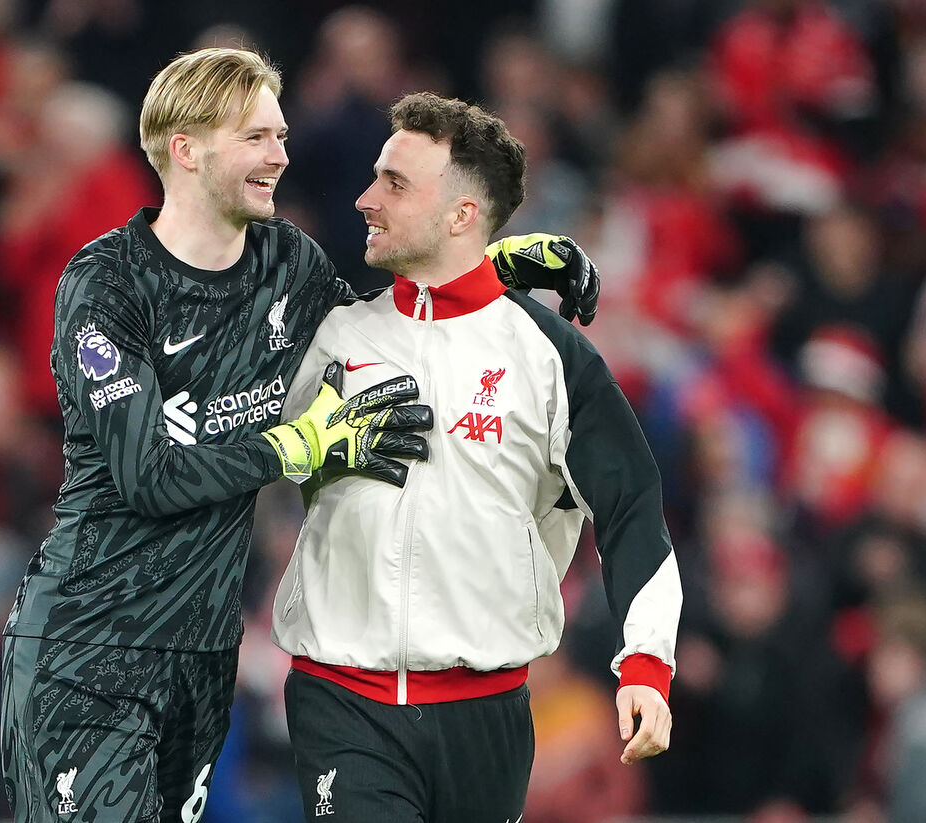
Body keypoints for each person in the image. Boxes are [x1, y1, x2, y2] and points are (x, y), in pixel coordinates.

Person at [0, 48, 598, 823]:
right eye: (256, 137)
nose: (281, 155)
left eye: (281, 135)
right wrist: (300, 447)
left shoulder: (286, 263)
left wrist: (494, 265)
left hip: (200, 653)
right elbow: (147, 475)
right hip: (93, 643)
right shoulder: (107, 283)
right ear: (186, 150)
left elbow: (384, 335)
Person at [272, 92, 681, 823]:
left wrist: (646, 661)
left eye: (395, 183)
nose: (366, 199)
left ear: (462, 214)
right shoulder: (331, 334)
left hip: (488, 713)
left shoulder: (551, 356)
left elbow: (632, 506)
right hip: (340, 699)